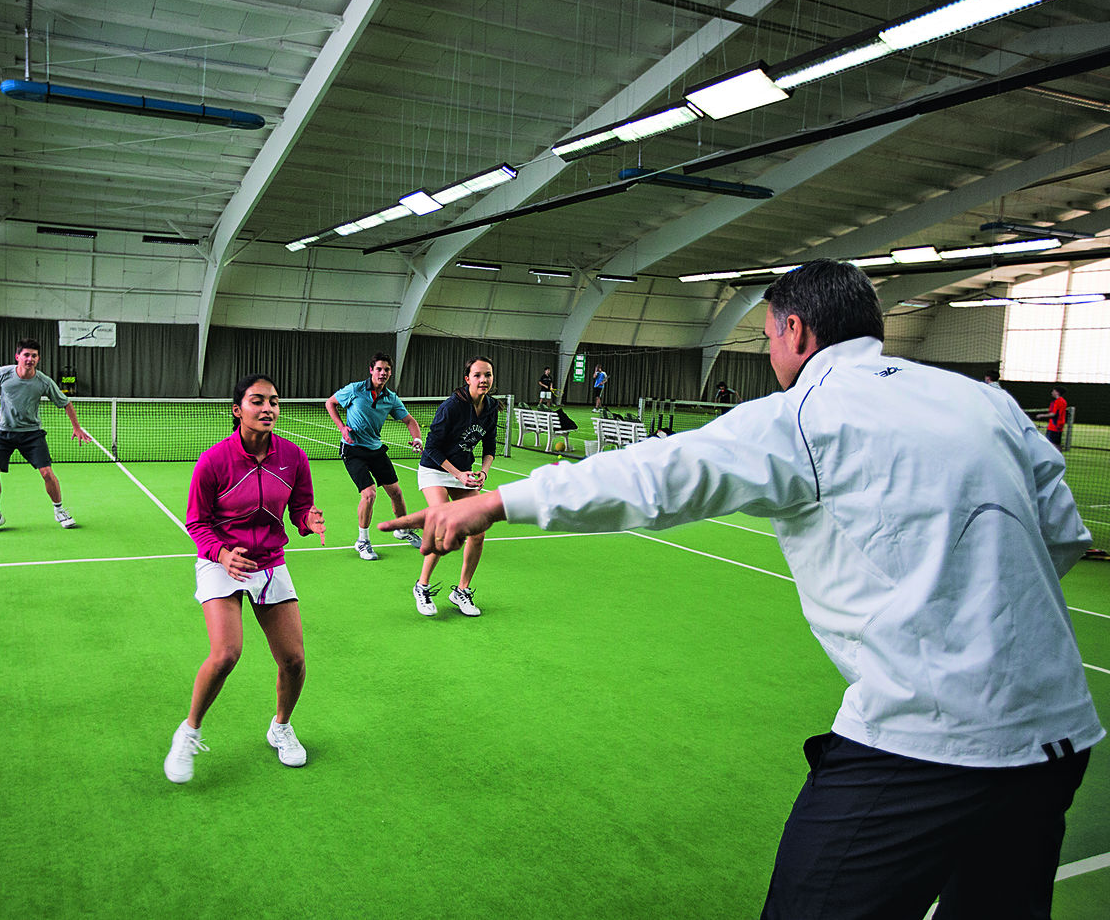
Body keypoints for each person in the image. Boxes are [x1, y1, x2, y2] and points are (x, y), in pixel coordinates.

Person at [384, 259, 1101, 919]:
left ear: (797, 329)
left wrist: (496, 503)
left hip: (924, 742)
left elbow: (657, 475)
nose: (768, 353)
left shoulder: (803, 415)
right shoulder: (990, 404)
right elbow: (1062, 538)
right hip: (1058, 739)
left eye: (767, 335)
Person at [165, 374, 326, 785]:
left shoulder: (293, 457)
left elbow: (300, 509)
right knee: (226, 654)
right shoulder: (213, 461)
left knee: (294, 660)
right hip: (221, 561)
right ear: (238, 410)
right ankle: (189, 731)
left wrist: (307, 521)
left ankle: (281, 727)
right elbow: (196, 523)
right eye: (258, 401)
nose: (268, 408)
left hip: (270, 562)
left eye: (274, 401)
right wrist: (221, 554)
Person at [411, 356, 498, 618]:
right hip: (436, 470)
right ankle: (422, 586)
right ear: (467, 378)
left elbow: (490, 446)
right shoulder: (451, 407)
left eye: (488, 375)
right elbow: (433, 448)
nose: (484, 380)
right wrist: (459, 475)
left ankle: (462, 590)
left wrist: (483, 472)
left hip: (463, 471)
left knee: (478, 531)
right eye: (478, 375)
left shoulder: (491, 407)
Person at [0, 338, 92, 533]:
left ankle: (59, 510)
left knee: (47, 472)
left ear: (38, 359)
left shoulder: (43, 381)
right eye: (26, 355)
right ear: (18, 357)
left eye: (34, 356)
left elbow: (65, 402)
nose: (30, 359)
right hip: (2, 432)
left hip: (31, 434)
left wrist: (77, 427)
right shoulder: (3, 373)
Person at [324, 353, 425, 560]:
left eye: (387, 370)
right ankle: (362, 541)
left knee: (396, 493)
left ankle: (402, 529)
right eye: (379, 369)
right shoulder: (355, 389)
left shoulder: (391, 398)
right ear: (371, 370)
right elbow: (330, 403)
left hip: (376, 449)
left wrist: (417, 439)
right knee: (369, 494)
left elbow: (410, 421)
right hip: (353, 450)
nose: (383, 373)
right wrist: (342, 428)